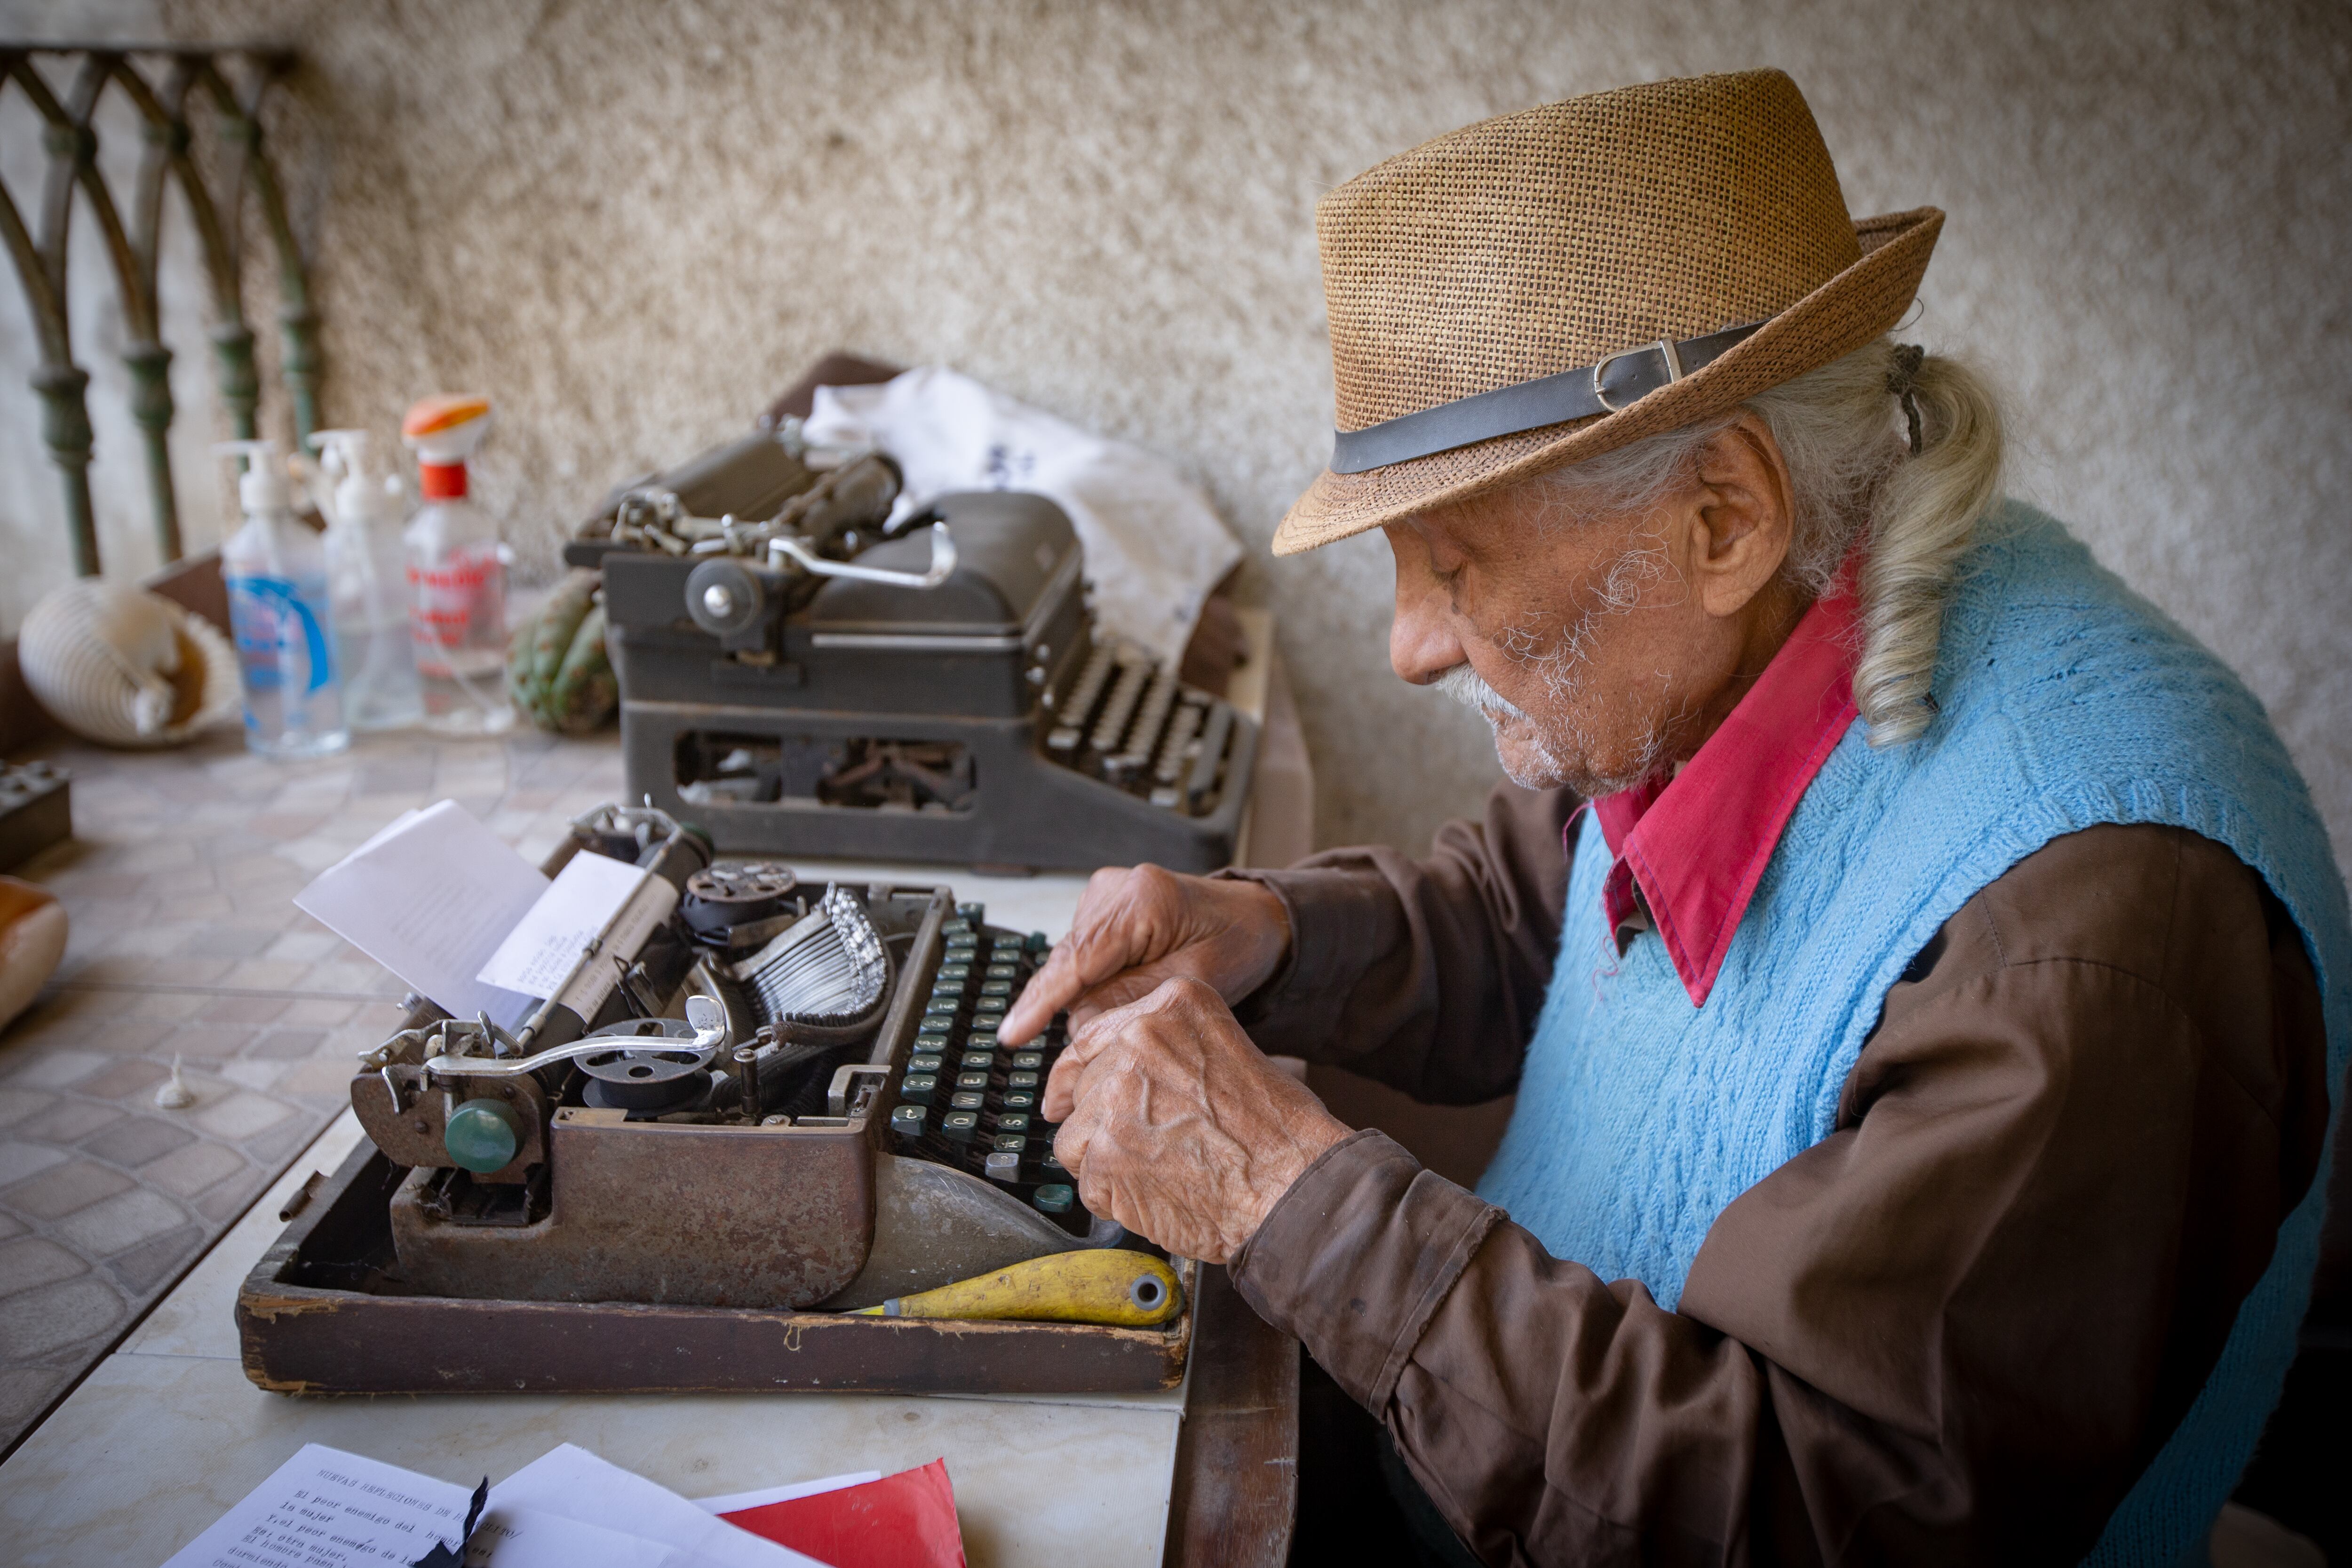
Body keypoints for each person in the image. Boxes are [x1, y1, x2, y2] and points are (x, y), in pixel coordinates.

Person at [997, 69, 2347, 1565]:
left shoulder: (2091, 948)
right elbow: (1548, 916)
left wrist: (1283, 1193)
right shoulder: (1779, 612)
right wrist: (1266, 931)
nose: (1411, 648)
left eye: (1451, 565)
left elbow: (1804, 1513)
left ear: (1725, 514)